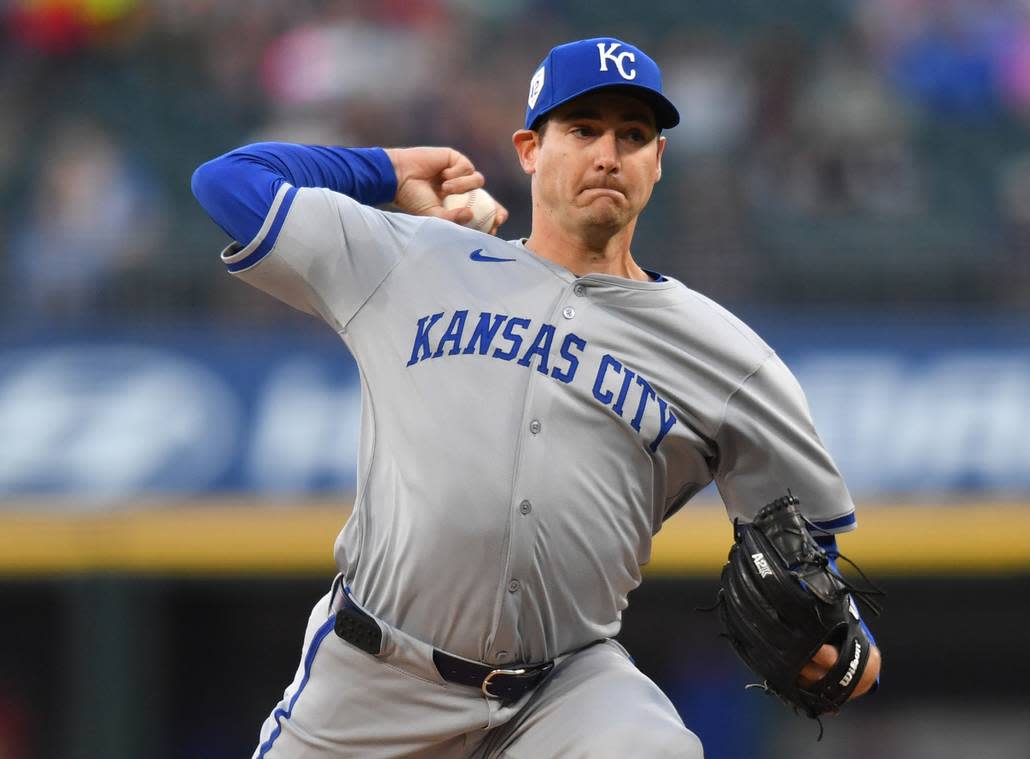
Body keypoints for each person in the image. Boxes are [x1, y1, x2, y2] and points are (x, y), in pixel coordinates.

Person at [192, 36, 880, 759]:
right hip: (373, 679)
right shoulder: (414, 257)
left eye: (633, 135)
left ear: (657, 161)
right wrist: (388, 169)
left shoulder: (726, 356)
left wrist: (848, 656)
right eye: (582, 130)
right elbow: (229, 184)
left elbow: (813, 565)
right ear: (528, 148)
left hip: (561, 692)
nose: (607, 154)